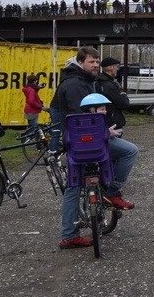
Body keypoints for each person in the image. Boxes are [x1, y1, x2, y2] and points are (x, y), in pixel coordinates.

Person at [54, 47, 136, 250]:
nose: (96, 65)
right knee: (129, 151)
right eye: (92, 62)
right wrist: (105, 132)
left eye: (97, 61)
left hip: (75, 142)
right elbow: (81, 118)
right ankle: (112, 191)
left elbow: (56, 110)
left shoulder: (75, 81)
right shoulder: (76, 85)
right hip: (87, 142)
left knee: (74, 188)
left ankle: (69, 235)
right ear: (80, 62)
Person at [95, 57, 130, 133]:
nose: (117, 69)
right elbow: (124, 104)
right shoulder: (108, 85)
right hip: (112, 125)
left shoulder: (99, 82)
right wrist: (124, 95)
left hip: (105, 122)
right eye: (116, 66)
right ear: (111, 67)